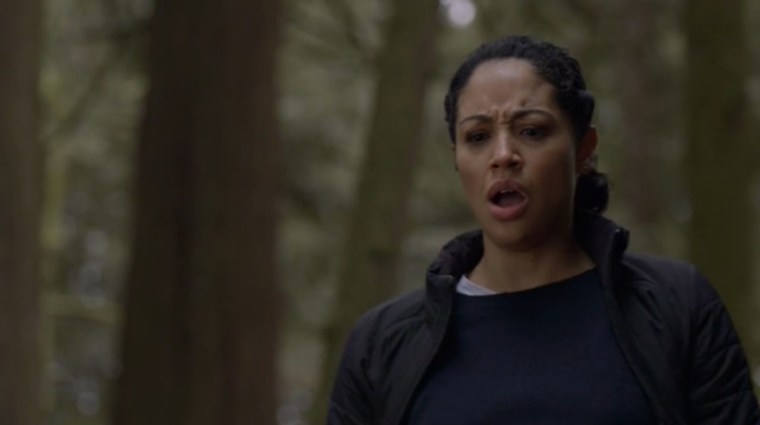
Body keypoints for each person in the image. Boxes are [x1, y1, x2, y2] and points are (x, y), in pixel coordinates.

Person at [326, 35, 760, 425]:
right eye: (477, 137)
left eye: (531, 131)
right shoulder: (382, 343)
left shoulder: (677, 307)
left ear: (584, 150)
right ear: (457, 158)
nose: (503, 155)